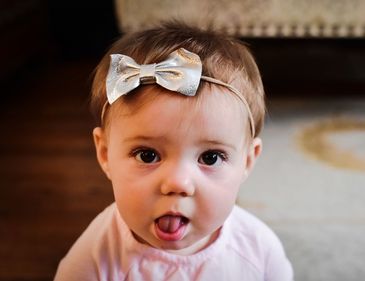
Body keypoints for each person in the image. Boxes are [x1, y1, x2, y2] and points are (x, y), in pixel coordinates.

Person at [54, 20, 293, 280]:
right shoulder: (92, 260)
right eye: (148, 155)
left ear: (247, 161)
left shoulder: (260, 252)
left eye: (210, 157)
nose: (177, 183)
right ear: (105, 154)